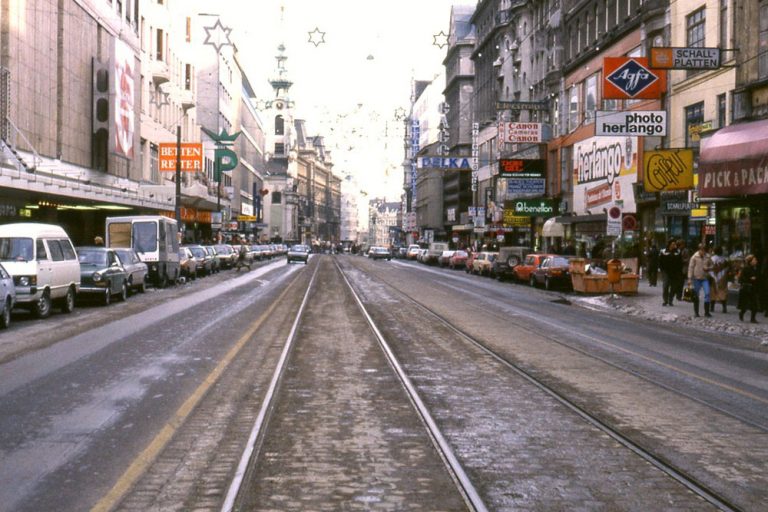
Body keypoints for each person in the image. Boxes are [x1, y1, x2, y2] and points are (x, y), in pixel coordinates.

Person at [687, 243, 713, 317]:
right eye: (701, 250)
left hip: (705, 278)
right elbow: (691, 267)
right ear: (699, 250)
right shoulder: (694, 257)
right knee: (696, 295)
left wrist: (708, 268)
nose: (703, 251)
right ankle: (696, 312)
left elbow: (712, 265)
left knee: (707, 293)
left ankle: (707, 312)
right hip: (696, 278)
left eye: (704, 250)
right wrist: (689, 278)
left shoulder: (708, 257)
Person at [659, 239, 682, 306]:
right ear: (669, 245)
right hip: (666, 272)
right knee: (666, 285)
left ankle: (670, 300)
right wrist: (661, 270)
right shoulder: (663, 251)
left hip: (675, 272)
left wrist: (679, 272)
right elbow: (660, 261)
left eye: (674, 244)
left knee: (673, 287)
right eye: (672, 244)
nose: (674, 246)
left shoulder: (677, 252)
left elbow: (680, 263)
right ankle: (665, 300)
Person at [738, 254, 759, 323]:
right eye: (754, 260)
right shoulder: (746, 268)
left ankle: (753, 318)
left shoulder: (755, 268)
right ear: (750, 261)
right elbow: (741, 279)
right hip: (746, 288)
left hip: (753, 288)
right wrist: (750, 278)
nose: (756, 261)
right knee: (745, 304)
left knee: (754, 304)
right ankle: (741, 313)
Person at [709, 246, 728, 313]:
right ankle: (724, 307)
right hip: (722, 276)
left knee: (713, 292)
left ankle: (712, 307)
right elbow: (726, 268)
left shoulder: (711, 259)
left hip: (713, 276)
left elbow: (710, 268)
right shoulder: (724, 259)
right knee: (723, 291)